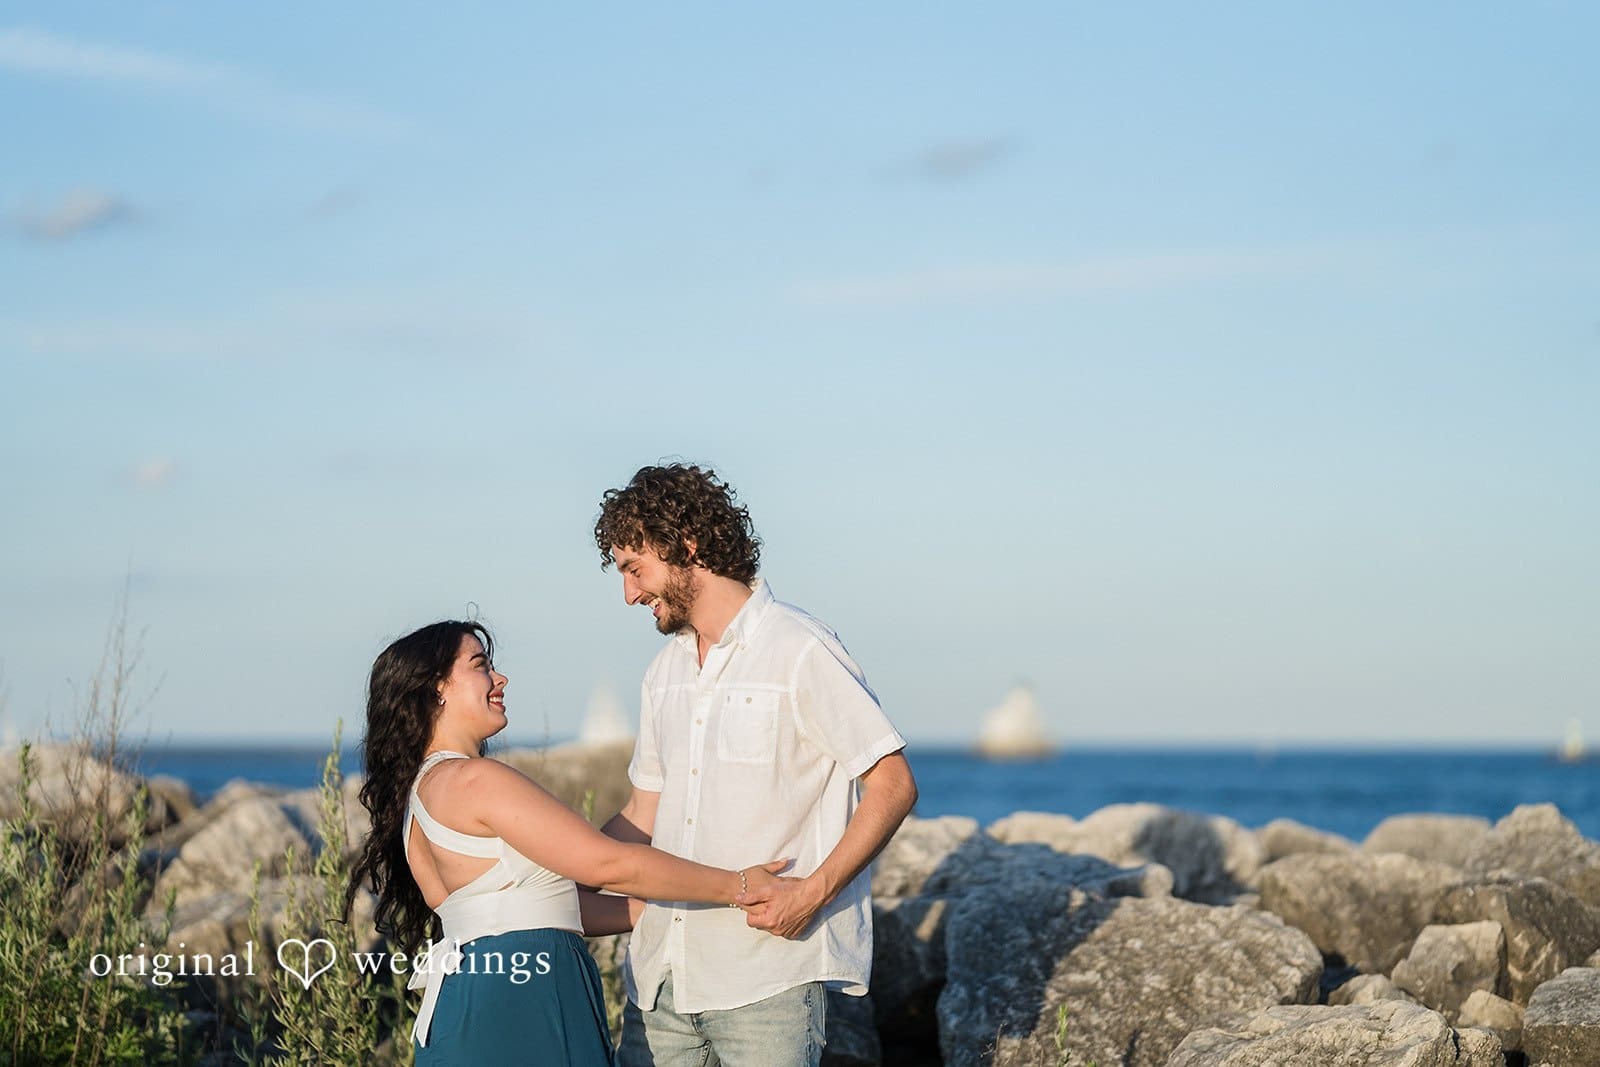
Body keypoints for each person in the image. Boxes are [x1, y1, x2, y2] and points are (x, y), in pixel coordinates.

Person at [593, 463, 919, 1067]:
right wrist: (545, 870)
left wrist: (814, 892)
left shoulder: (800, 649)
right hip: (658, 979)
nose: (629, 594)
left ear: (685, 547)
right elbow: (644, 811)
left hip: (766, 981)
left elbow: (893, 783)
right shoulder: (664, 672)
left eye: (635, 569)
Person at [344, 620, 785, 1065]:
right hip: (524, 1003)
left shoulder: (421, 798)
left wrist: (680, 912)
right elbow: (606, 865)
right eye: (481, 665)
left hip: (470, 1000)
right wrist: (740, 886)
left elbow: (552, 906)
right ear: (436, 688)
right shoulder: (473, 779)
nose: (501, 678)